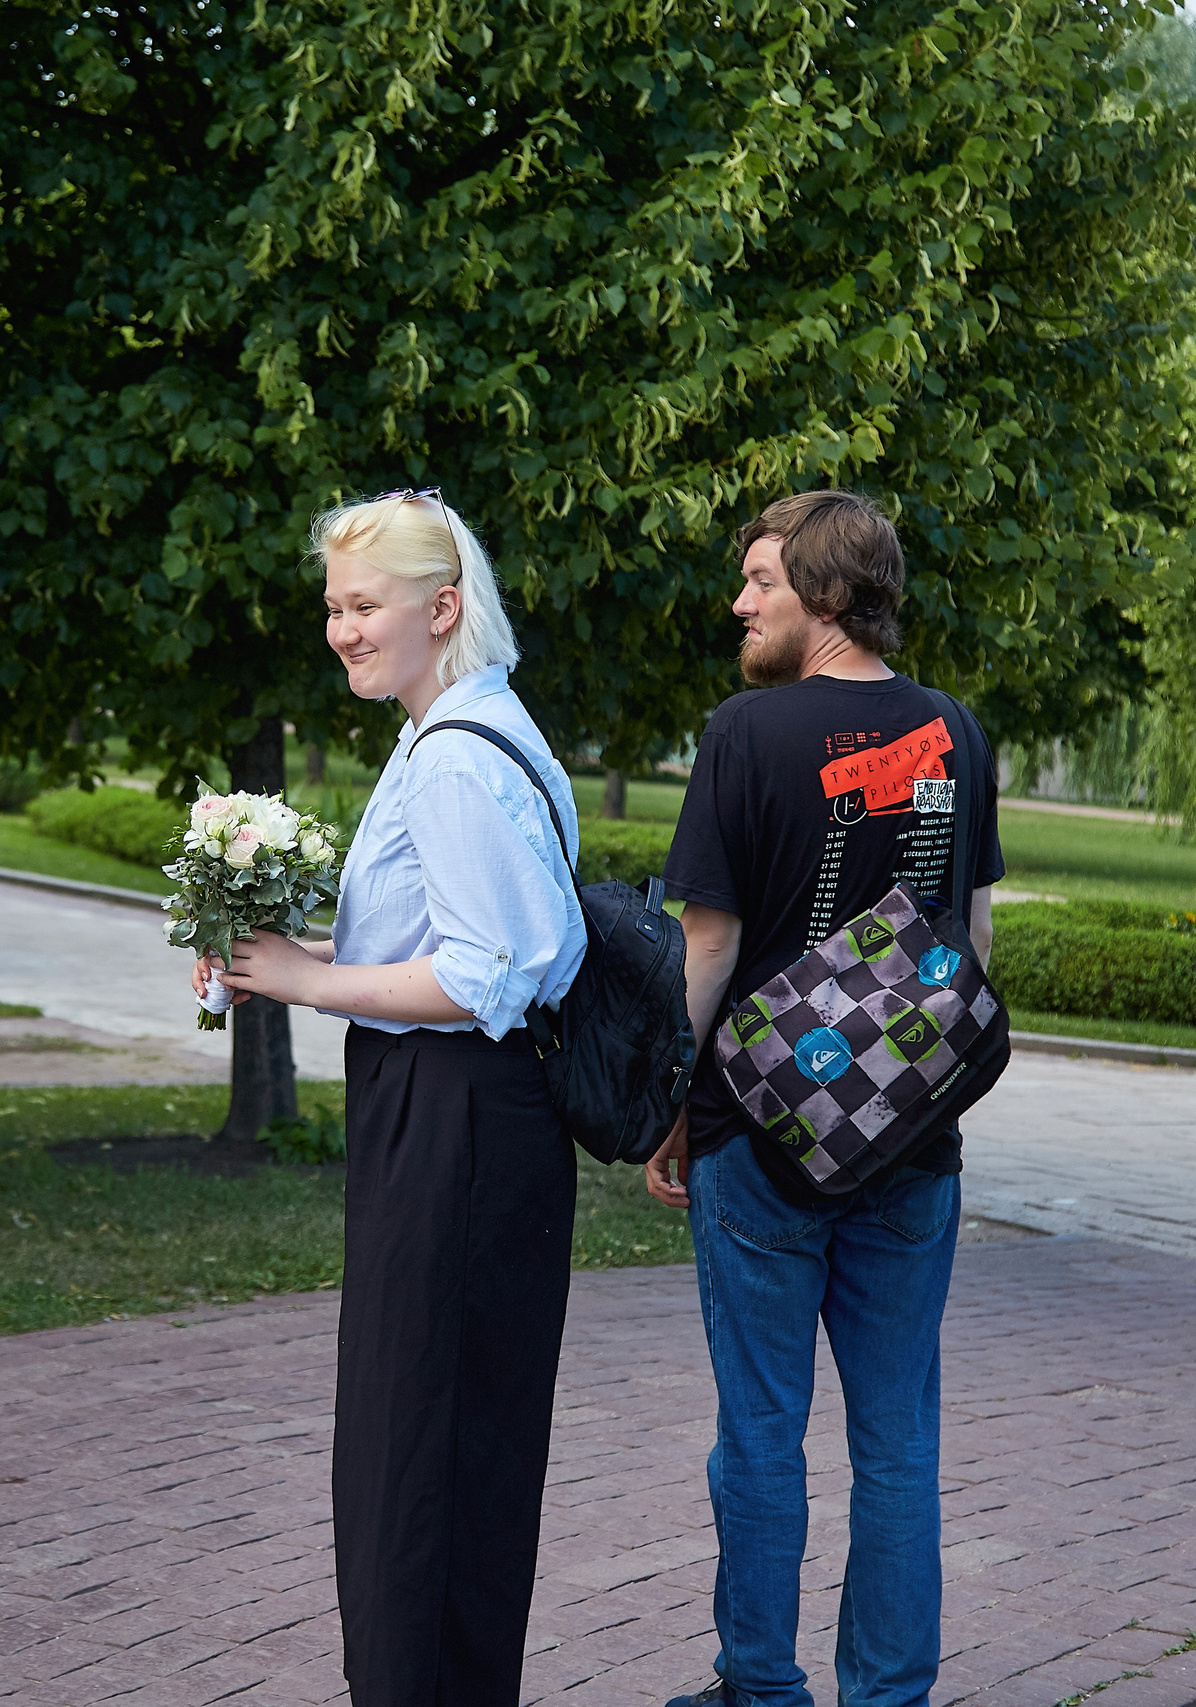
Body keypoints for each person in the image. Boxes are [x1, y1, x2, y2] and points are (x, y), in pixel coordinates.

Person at [191, 489, 583, 1707]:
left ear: (443, 608)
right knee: (428, 1447)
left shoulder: (458, 758)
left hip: (457, 1119)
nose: (343, 630)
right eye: (333, 608)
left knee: (420, 1455)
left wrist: (311, 979)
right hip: (452, 1116)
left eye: (364, 606)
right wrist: (284, 944)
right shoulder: (456, 735)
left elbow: (488, 974)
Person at [642, 489, 1003, 1707]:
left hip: (758, 1138)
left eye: (761, 583)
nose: (739, 604)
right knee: (896, 1438)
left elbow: (705, 947)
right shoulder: (957, 730)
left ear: (828, 597)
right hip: (911, 1142)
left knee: (759, 1431)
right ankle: (887, 1696)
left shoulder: (745, 733)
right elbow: (971, 937)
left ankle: (759, 1688)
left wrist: (665, 1109)